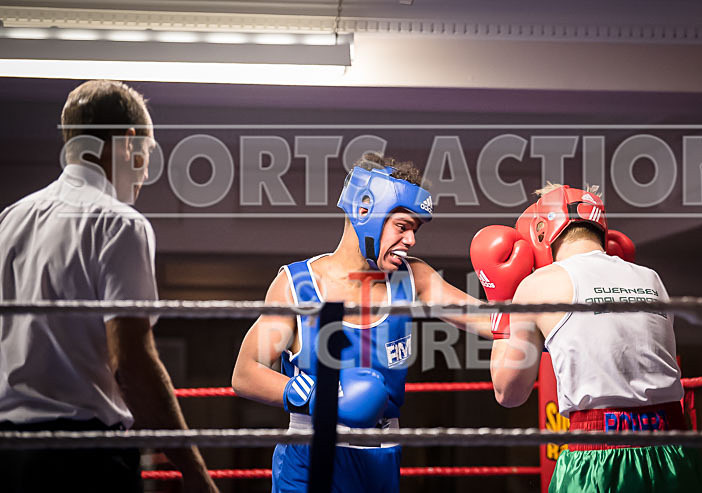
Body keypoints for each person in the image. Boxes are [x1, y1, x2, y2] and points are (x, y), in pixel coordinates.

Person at [0, 80, 218, 493]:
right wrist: (194, 472)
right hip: (82, 461)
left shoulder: (10, 220)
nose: (147, 172)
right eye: (149, 154)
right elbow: (131, 363)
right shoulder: (119, 223)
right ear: (130, 144)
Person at [232, 153, 490, 493]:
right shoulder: (299, 285)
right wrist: (319, 397)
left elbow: (492, 322)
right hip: (308, 460)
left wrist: (546, 293)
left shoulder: (413, 279)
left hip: (380, 460)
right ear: (365, 212)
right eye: (402, 226)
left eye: (415, 229)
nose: (411, 240)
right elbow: (245, 373)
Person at [470, 183, 702, 492]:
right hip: (676, 454)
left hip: (599, 454)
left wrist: (503, 304)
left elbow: (509, 393)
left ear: (541, 230)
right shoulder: (652, 278)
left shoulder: (538, 285)